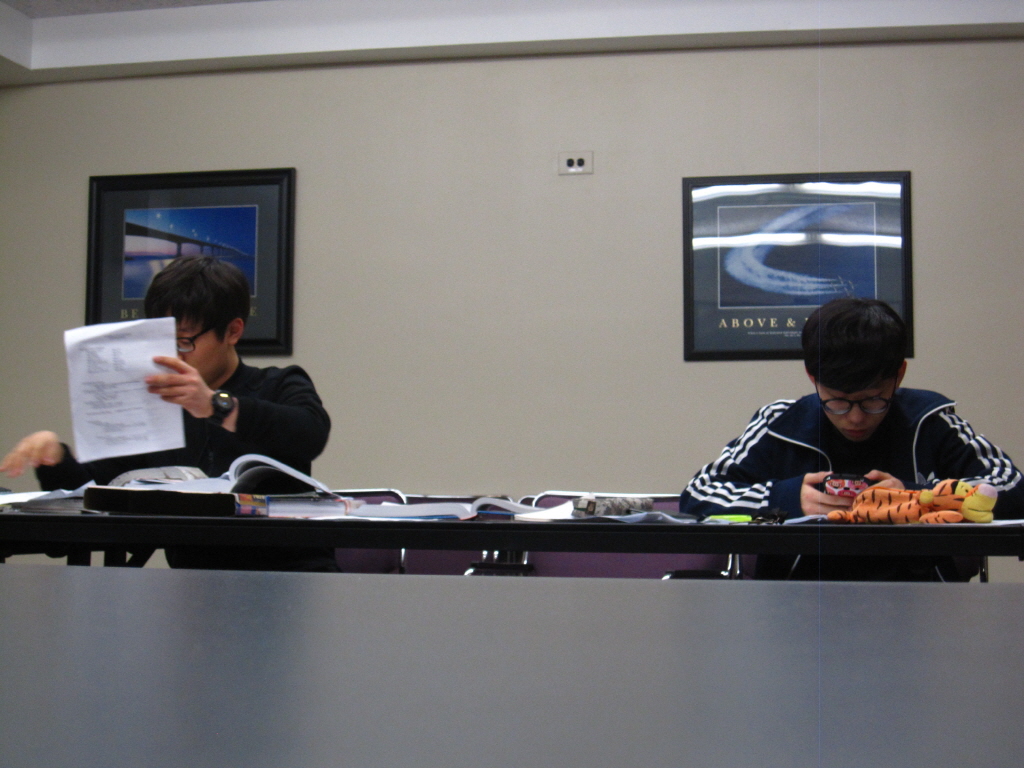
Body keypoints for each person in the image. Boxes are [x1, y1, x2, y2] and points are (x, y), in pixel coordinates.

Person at [0, 256, 335, 571]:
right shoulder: (155, 403)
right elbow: (96, 494)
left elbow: (310, 433)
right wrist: (55, 459)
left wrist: (216, 405)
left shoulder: (278, 383)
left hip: (290, 577)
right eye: (160, 341)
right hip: (191, 588)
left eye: (184, 342)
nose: (172, 355)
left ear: (233, 331)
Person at [679, 297, 1024, 581]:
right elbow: (698, 493)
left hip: (921, 603)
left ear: (899, 374)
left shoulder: (930, 419)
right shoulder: (779, 423)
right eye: (837, 401)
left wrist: (917, 499)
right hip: (794, 606)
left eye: (873, 399)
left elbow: (1011, 486)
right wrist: (784, 499)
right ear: (812, 377)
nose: (855, 418)